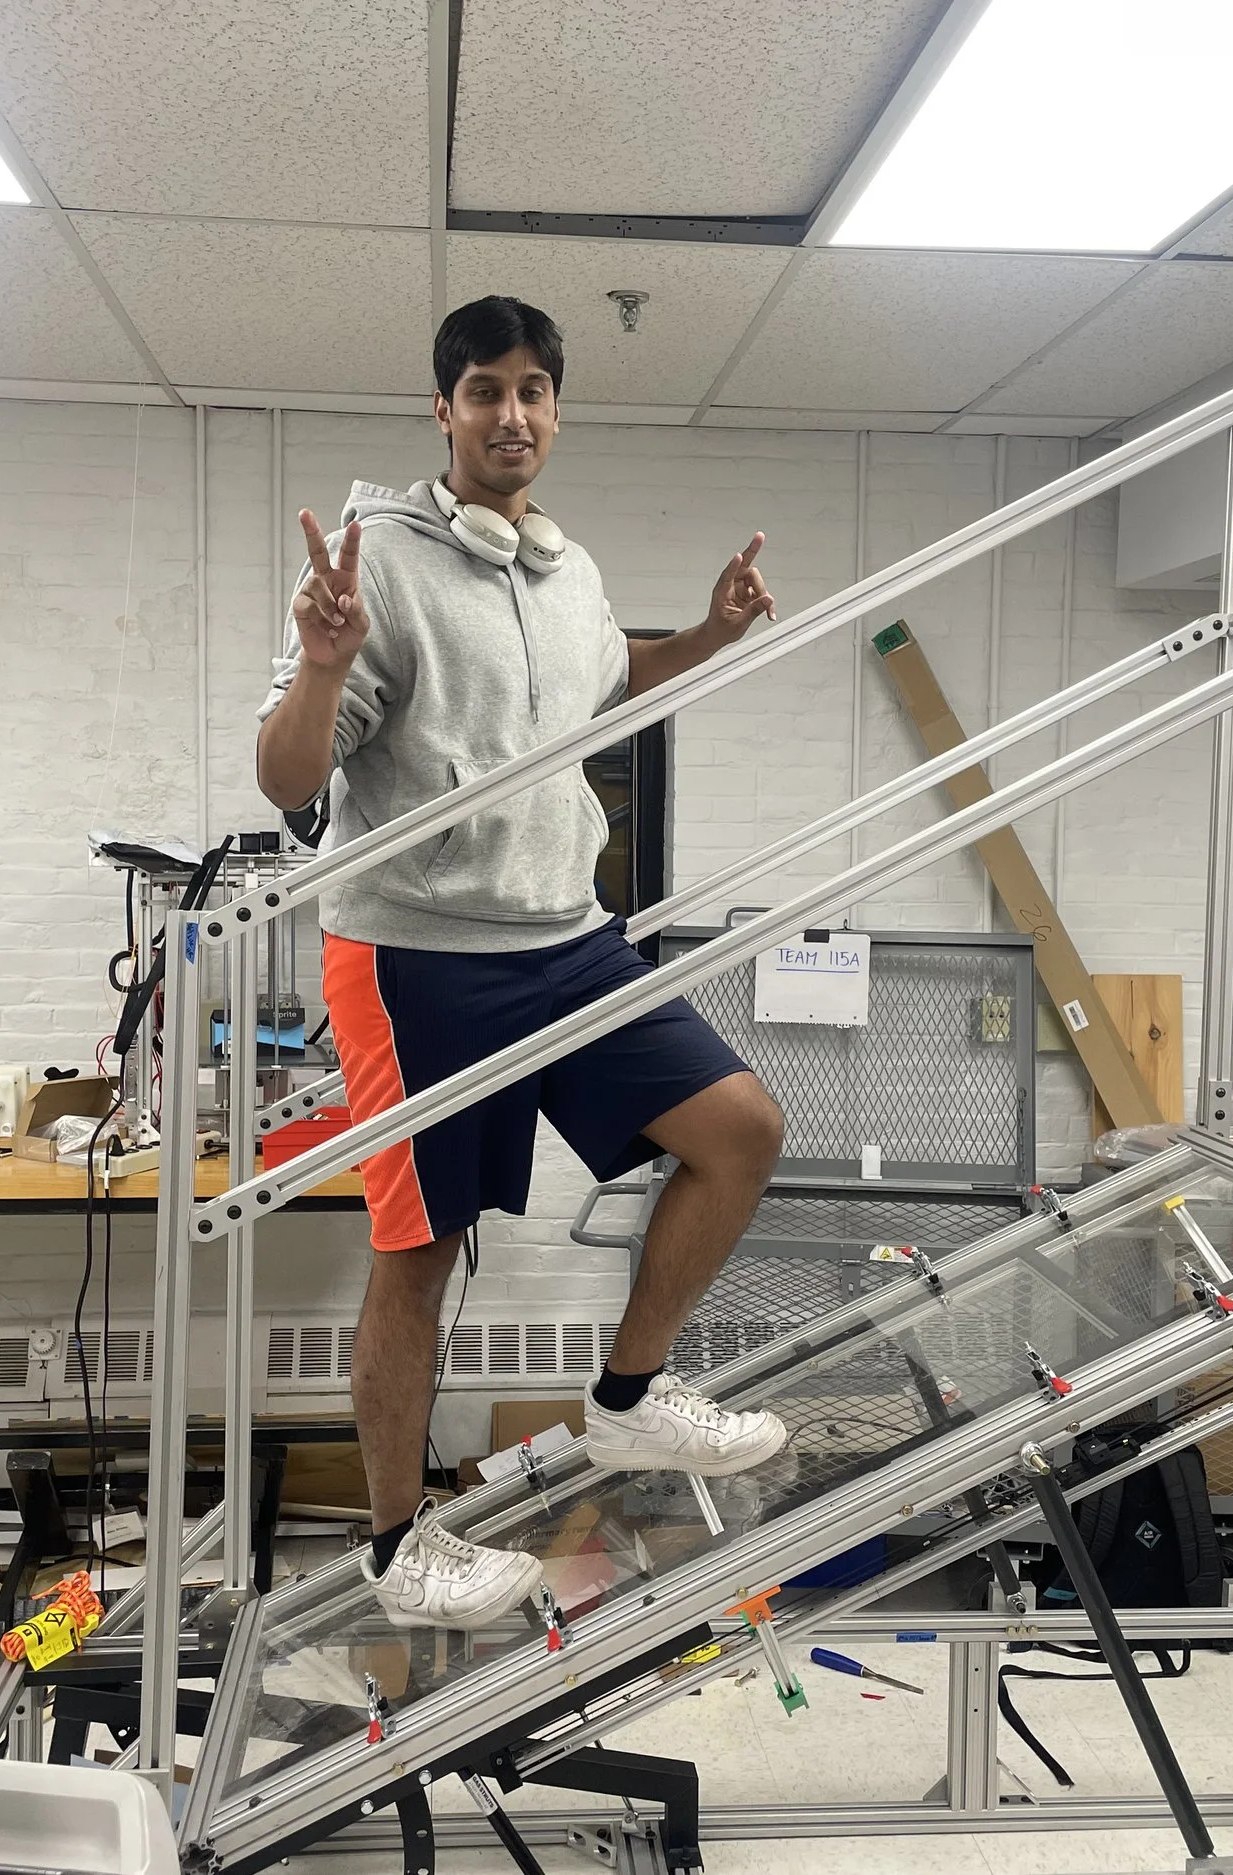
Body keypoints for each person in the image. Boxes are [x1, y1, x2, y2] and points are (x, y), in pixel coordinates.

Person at [255, 296, 793, 1629]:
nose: (512, 414)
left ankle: (624, 1401)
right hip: (416, 955)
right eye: (484, 390)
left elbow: (610, 684)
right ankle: (396, 1549)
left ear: (557, 409)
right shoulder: (377, 557)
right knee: (420, 1252)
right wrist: (323, 666)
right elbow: (284, 778)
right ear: (442, 410)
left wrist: (714, 636)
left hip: (566, 937)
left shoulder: (569, 573)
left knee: (740, 1129)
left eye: (534, 390)